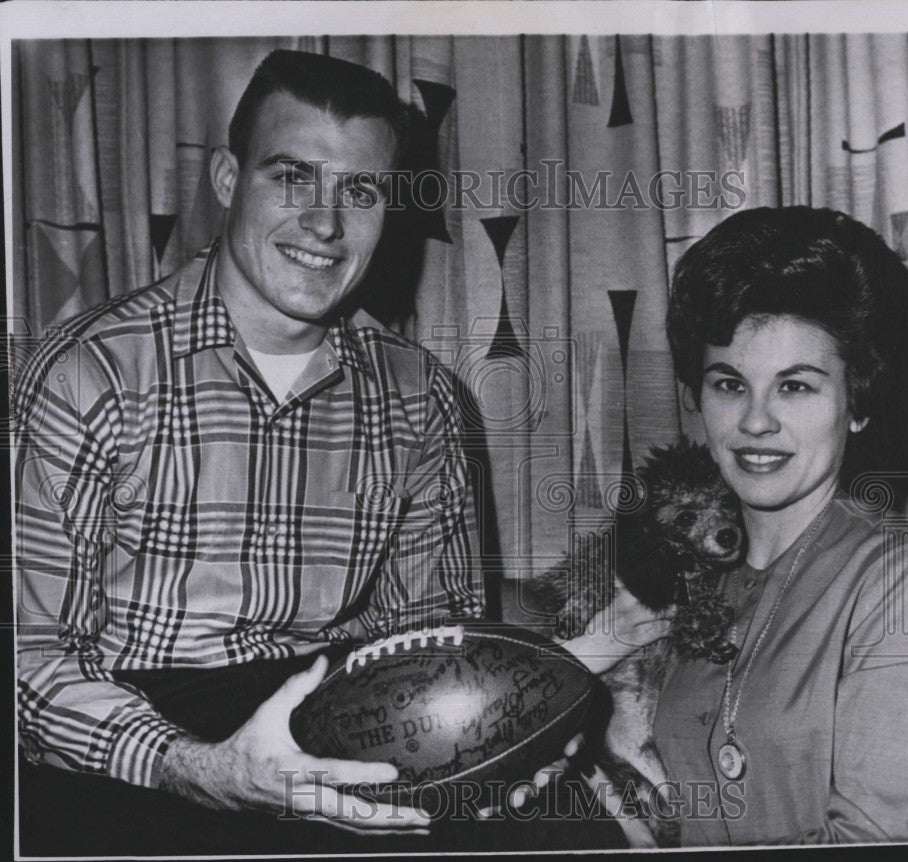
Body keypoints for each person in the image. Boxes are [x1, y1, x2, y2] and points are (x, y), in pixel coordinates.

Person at [14, 49, 669, 856]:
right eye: (291, 176)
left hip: (339, 723)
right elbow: (29, 665)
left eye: (359, 191)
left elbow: (438, 647)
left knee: (574, 839)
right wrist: (202, 766)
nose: (324, 224)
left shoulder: (422, 399)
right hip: (136, 753)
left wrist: (511, 740)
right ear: (226, 178)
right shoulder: (91, 371)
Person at [586, 205, 908, 846]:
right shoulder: (691, 581)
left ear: (857, 404)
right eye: (729, 384)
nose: (755, 421)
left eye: (796, 387)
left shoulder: (907, 587)